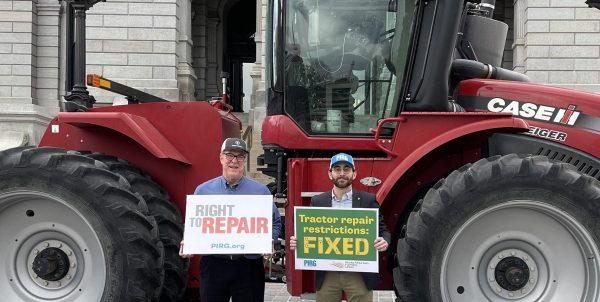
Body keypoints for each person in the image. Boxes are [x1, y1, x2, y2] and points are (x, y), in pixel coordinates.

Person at [179, 137, 282, 302]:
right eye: (229, 155)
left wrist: (270, 239)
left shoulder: (260, 191)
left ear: (245, 161)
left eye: (240, 156)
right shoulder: (203, 191)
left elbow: (275, 221)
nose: (234, 160)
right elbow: (195, 223)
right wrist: (188, 241)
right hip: (214, 265)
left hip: (248, 266)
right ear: (221, 158)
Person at [289, 153, 391, 302]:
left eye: (346, 169)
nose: (342, 173)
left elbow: (383, 230)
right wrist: (298, 241)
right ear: (330, 174)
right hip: (328, 273)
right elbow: (309, 232)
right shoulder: (318, 201)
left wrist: (385, 242)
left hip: (359, 272)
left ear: (354, 174)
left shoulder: (368, 200)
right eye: (337, 169)